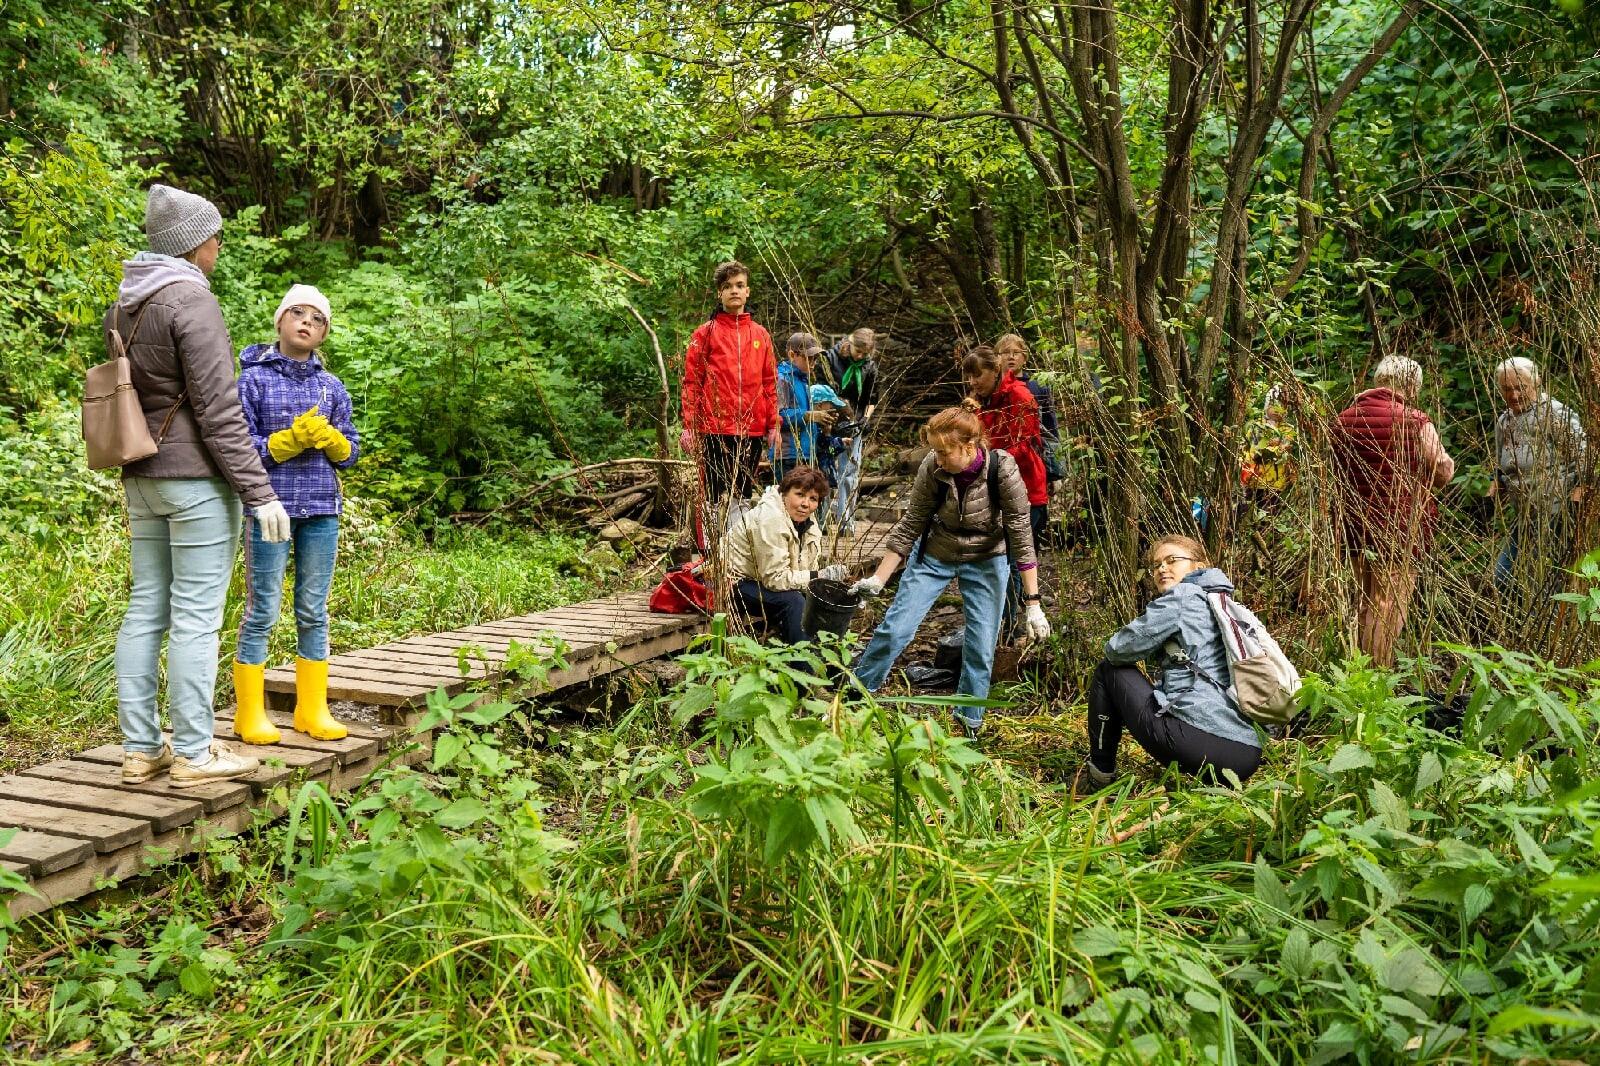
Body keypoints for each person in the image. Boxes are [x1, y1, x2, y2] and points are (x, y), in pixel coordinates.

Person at [109, 184, 291, 787]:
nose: (218, 247)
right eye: (215, 238)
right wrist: (259, 492)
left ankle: (141, 750)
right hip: (194, 484)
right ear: (193, 243)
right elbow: (219, 411)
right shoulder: (192, 300)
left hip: (142, 476)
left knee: (145, 608)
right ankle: (193, 752)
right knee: (195, 617)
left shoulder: (127, 302)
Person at [848, 407, 1051, 736]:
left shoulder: (1002, 468)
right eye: (934, 451)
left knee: (980, 647)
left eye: (944, 452)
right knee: (896, 629)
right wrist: (878, 578)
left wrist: (1033, 603)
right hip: (936, 553)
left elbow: (1021, 533)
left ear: (969, 446)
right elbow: (911, 523)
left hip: (987, 558)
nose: (938, 459)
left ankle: (969, 722)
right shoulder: (933, 467)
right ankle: (857, 696)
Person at [233, 285, 361, 744]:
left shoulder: (332, 387)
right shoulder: (252, 381)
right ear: (280, 321)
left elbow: (351, 453)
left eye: (318, 319)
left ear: (324, 334)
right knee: (263, 608)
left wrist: (335, 442)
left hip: (322, 509)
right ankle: (249, 714)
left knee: (313, 609)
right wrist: (285, 442)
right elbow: (238, 449)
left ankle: (312, 709)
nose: (307, 322)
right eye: (298, 313)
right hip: (270, 508)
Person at [1077, 536, 1263, 790]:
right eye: (1156, 565)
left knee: (1109, 671)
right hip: (1245, 751)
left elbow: (1117, 649)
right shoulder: (1219, 601)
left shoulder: (1183, 596)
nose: (1162, 568)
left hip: (1202, 743)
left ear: (1198, 566)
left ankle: (1099, 776)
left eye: (1172, 560)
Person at [1332, 356, 1456, 667]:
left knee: (1365, 600)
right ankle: (1377, 675)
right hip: (1400, 527)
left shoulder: (1342, 419)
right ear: (1411, 386)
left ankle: (1356, 671)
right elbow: (1440, 468)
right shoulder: (1414, 420)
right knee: (1388, 603)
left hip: (1353, 525)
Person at [679, 260, 779, 547]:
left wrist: (773, 424)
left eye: (739, 285)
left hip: (752, 428)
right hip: (713, 426)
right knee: (711, 492)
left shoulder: (760, 335)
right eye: (728, 287)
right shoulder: (705, 333)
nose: (734, 291)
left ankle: (736, 553)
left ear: (747, 291)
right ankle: (710, 555)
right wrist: (690, 426)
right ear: (719, 293)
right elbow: (691, 382)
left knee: (742, 493)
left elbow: (769, 383)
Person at [964, 345, 1050, 638]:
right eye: (969, 377)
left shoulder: (1020, 397)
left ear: (995, 371)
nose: (972, 382)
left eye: (977, 375)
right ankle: (1002, 626)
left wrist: (983, 456)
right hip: (994, 491)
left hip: (1026, 490)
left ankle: (1010, 630)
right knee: (997, 559)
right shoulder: (981, 401)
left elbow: (1022, 448)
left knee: (1014, 561)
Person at [1487, 357, 1587, 598]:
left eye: (1520, 387)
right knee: (1501, 578)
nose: (1514, 395)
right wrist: (1495, 487)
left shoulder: (1554, 413)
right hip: (1524, 515)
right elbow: (1502, 463)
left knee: (1541, 582)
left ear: (1536, 382)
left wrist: (1578, 496)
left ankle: (1544, 620)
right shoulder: (1505, 421)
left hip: (1556, 513)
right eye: (1507, 389)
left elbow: (1583, 455)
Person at [724, 466, 846, 644]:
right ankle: (803, 658)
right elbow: (775, 579)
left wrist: (832, 589)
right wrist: (819, 576)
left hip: (765, 580)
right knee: (794, 602)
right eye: (800, 494)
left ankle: (826, 654)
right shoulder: (770, 519)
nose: (806, 504)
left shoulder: (807, 520)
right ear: (785, 493)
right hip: (736, 582)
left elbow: (803, 571)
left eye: (813, 499)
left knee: (821, 599)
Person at [822, 327, 879, 535]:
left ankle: (845, 523)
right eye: (858, 351)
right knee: (825, 470)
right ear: (849, 343)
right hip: (830, 422)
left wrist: (865, 419)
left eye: (865, 353)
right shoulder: (830, 358)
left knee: (849, 473)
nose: (860, 356)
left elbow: (872, 398)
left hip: (854, 424)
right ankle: (821, 521)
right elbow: (821, 390)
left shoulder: (869, 366)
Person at [995, 332, 1061, 499]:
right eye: (1005, 352)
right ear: (997, 358)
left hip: (1033, 461)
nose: (1011, 357)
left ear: (1024, 358)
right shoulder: (992, 389)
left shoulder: (1037, 387)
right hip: (999, 462)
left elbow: (1050, 430)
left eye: (1016, 352)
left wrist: (1054, 472)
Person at [772, 332, 835, 483]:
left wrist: (821, 420)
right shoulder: (782, 379)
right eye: (809, 358)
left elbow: (806, 417)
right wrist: (809, 415)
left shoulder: (803, 380)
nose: (813, 363)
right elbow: (778, 417)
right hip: (788, 455)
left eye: (815, 358)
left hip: (806, 452)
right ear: (792, 355)